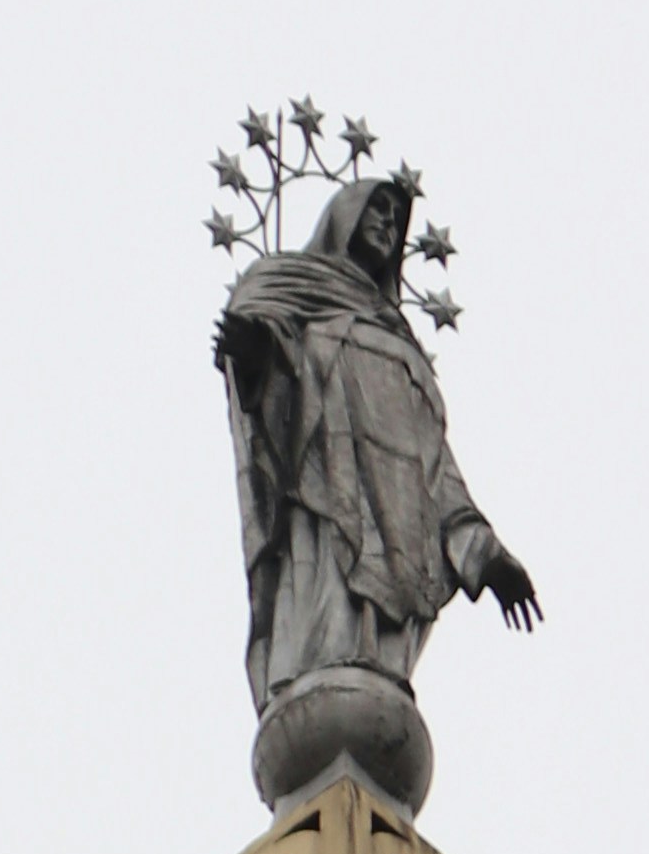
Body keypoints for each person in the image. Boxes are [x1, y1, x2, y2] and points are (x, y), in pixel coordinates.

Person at [217, 177, 539, 799]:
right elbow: (270, 386)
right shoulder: (295, 291)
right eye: (377, 209)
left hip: (397, 532)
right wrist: (257, 364)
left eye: (398, 217)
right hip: (322, 506)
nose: (389, 224)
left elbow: (433, 468)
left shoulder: (400, 343)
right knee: (326, 618)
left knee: (376, 655)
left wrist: (483, 551)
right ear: (343, 215)